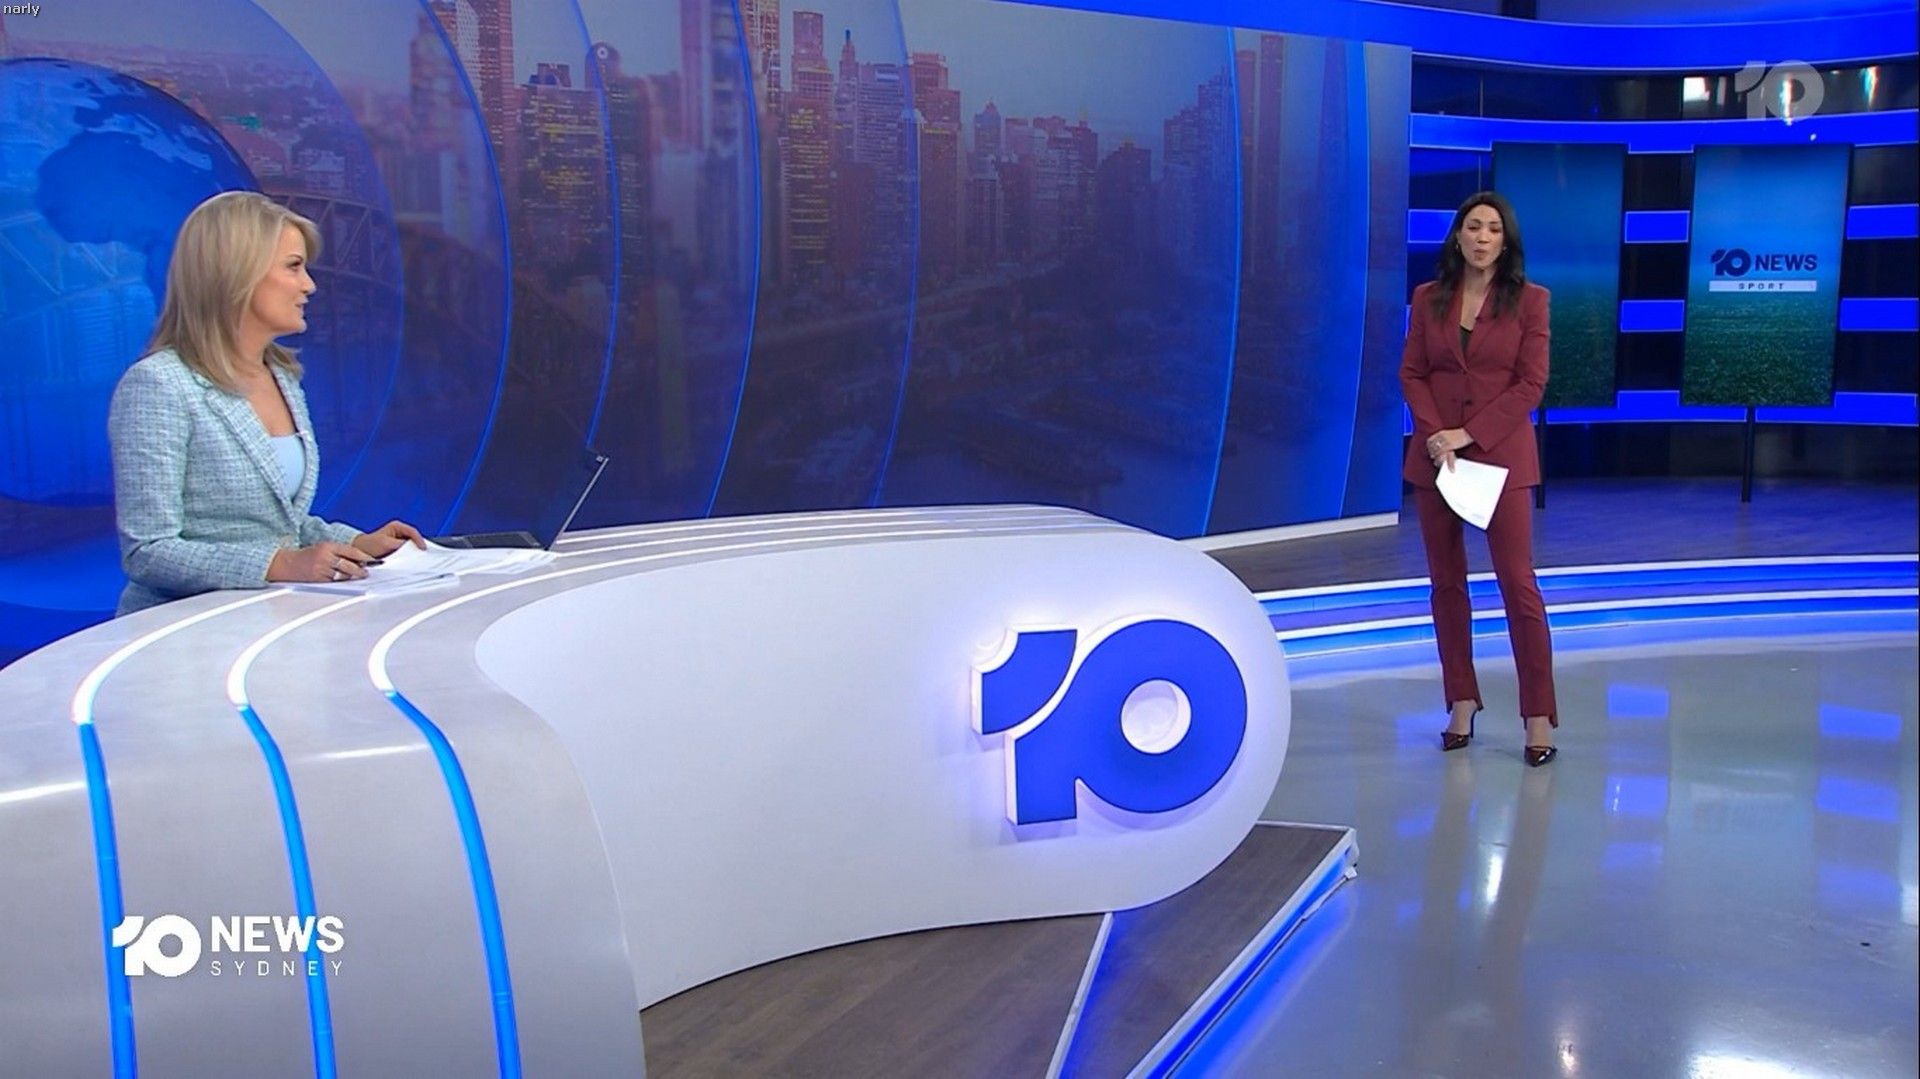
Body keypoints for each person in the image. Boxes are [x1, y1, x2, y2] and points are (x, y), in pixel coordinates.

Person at [108, 191, 424, 616]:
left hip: (268, 619)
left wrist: (357, 544)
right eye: (293, 266)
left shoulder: (282, 377)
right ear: (237, 273)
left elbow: (282, 526)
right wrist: (279, 565)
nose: (309, 285)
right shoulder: (159, 385)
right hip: (182, 629)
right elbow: (147, 551)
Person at [1399, 191, 1558, 766]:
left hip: (1499, 458)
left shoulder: (1532, 301)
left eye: (1493, 228)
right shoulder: (1428, 297)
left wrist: (1466, 434)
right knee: (1446, 585)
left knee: (1518, 584)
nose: (1482, 237)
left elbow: (1530, 384)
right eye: (1472, 227)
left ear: (1505, 240)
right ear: (1458, 236)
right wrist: (1436, 434)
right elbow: (1412, 372)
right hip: (1436, 459)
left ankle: (1537, 716)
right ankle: (1461, 702)